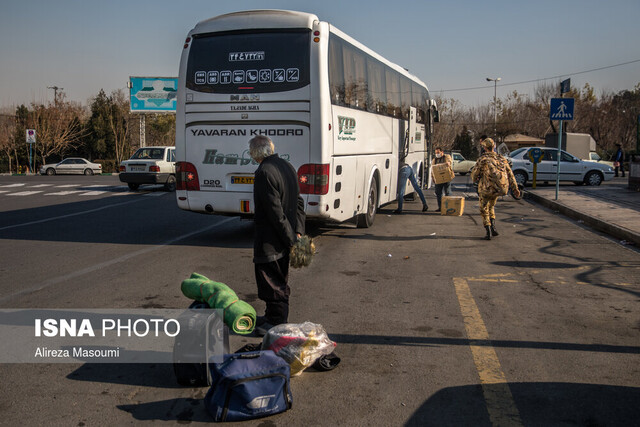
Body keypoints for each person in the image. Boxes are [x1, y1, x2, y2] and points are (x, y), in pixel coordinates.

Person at [248, 135, 306, 336]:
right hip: (284, 237)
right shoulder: (287, 166)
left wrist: (291, 240)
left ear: (255, 153)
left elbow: (275, 213)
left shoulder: (264, 172)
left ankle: (277, 322)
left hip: (271, 241)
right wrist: (297, 232)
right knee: (277, 278)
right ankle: (271, 315)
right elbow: (299, 202)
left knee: (273, 282)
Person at [471, 138, 520, 240]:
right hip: (499, 189)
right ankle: (493, 226)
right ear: (494, 147)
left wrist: (475, 178)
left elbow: (475, 175)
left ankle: (488, 230)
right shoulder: (502, 159)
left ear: (484, 147)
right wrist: (515, 188)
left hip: (486, 189)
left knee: (484, 208)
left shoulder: (483, 159)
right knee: (491, 207)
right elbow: (510, 174)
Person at [394, 146, 428, 214]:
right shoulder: (396, 159)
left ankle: (399, 209)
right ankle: (425, 204)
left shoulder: (393, 160)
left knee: (401, 191)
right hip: (409, 168)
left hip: (403, 171)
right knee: (416, 187)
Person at [432, 147, 453, 211]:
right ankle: (440, 207)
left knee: (447, 192)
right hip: (438, 179)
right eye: (436, 153)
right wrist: (432, 177)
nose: (437, 154)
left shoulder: (446, 157)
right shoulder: (434, 160)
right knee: (438, 193)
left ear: (442, 152)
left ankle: (448, 207)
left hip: (446, 177)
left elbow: (449, 162)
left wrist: (448, 163)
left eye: (438, 153)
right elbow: (433, 169)